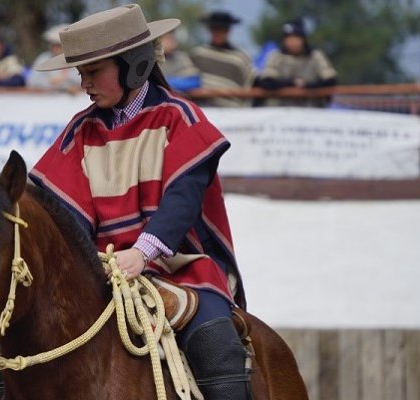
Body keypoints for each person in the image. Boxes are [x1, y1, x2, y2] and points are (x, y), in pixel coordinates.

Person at [30, 4, 249, 399]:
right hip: (99, 276)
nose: (84, 84)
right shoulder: (80, 130)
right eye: (81, 73)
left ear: (134, 65)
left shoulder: (179, 117)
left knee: (217, 345)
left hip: (179, 268)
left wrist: (142, 253)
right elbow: (59, 212)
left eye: (93, 72)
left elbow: (182, 201)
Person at [258, 19, 338, 107]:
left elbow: (330, 81)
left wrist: (306, 86)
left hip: (312, 111)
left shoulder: (316, 56)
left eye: (296, 37)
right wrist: (291, 84)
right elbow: (266, 83)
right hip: (280, 112)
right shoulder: (276, 57)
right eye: (288, 38)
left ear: (303, 39)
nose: (292, 42)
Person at [190, 11, 256, 107]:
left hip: (233, 110)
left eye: (222, 29)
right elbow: (188, 80)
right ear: (210, 30)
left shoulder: (241, 57)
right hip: (202, 109)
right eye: (214, 28)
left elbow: (250, 84)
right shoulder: (198, 54)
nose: (217, 32)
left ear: (228, 30)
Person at [27, 24, 81, 93]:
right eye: (53, 45)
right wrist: (50, 82)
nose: (55, 48)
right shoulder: (43, 58)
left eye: (58, 45)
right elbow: (32, 81)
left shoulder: (76, 58)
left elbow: (82, 78)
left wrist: (64, 79)